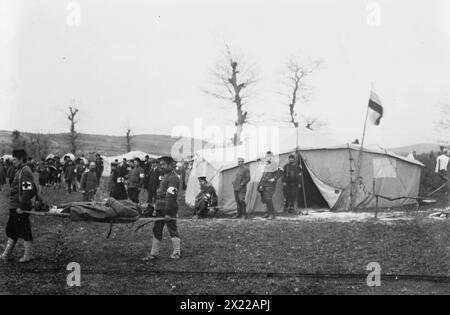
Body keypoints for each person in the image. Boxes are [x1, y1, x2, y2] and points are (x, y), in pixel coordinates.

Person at [1, 148, 37, 263]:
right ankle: (6, 255)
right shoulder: (20, 170)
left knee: (23, 229)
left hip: (19, 207)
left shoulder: (25, 171)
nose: (13, 161)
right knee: (12, 229)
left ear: (21, 159)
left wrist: (21, 206)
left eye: (15, 159)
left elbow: (28, 190)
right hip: (15, 206)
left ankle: (27, 255)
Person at [143, 156, 181, 261]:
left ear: (170, 165)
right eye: (160, 164)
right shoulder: (165, 176)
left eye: (163, 164)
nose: (161, 166)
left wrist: (168, 212)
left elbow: (171, 196)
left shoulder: (173, 177)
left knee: (172, 229)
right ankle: (154, 253)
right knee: (157, 229)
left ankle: (177, 252)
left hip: (168, 207)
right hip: (160, 206)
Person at [258, 151, 282, 220]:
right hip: (264, 184)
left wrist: (274, 178)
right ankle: (269, 213)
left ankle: (273, 214)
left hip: (270, 185)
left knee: (268, 199)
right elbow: (263, 176)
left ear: (272, 157)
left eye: (269, 156)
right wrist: (261, 184)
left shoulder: (275, 164)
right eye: (266, 156)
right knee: (266, 199)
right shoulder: (266, 165)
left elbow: (281, 171)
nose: (267, 158)